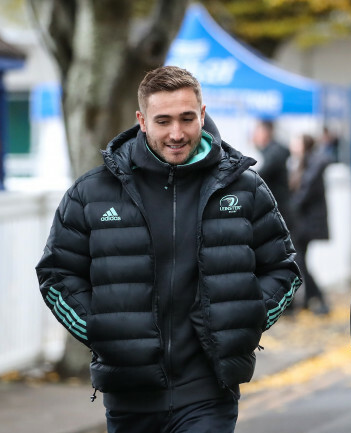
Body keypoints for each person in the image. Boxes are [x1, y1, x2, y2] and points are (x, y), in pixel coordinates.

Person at [36, 66, 301, 433]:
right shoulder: (91, 193)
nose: (176, 133)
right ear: (142, 121)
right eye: (163, 121)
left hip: (210, 392)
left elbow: (283, 268)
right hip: (131, 395)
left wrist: (246, 321)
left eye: (187, 118)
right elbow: (56, 275)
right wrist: (102, 332)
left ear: (202, 115)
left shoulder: (244, 188)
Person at [289, 133, 332, 315]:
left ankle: (319, 297)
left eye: (296, 142)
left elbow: (303, 193)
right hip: (302, 221)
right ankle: (309, 299)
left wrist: (288, 209)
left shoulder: (312, 164)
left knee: (300, 261)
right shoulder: (301, 163)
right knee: (301, 260)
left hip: (306, 222)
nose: (293, 145)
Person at [251, 118, 292, 228]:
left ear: (266, 132)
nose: (255, 134)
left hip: (279, 206)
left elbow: (261, 173)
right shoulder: (269, 150)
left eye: (257, 131)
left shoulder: (275, 152)